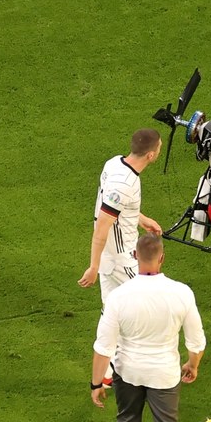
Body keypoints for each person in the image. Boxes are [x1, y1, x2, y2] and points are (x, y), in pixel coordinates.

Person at [89, 234, 205, 422]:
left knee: (128, 420)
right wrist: (192, 365)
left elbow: (103, 347)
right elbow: (196, 341)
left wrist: (96, 384)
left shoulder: (119, 297)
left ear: (135, 257)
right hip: (165, 374)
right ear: (162, 258)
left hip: (129, 372)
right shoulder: (181, 293)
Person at [78, 128, 164, 300]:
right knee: (150, 303)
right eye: (159, 147)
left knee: (112, 313)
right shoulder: (124, 184)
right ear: (150, 155)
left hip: (110, 256)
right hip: (122, 259)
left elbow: (113, 205)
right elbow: (103, 225)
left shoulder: (114, 163)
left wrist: (141, 218)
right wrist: (93, 266)